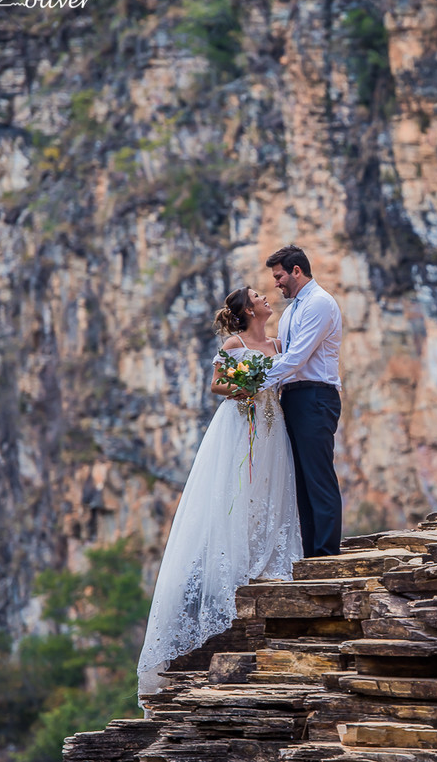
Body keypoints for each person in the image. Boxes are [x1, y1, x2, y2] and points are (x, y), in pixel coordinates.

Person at [137, 286, 302, 701]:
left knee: (270, 486)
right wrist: (243, 387)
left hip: (271, 423)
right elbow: (216, 385)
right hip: (239, 421)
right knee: (236, 485)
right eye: (260, 295)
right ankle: (235, 559)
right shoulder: (236, 343)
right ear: (249, 309)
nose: (267, 298)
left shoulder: (279, 342)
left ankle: (266, 553)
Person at [264, 245, 344, 557]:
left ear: (297, 271)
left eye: (279, 276)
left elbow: (296, 356)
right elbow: (283, 352)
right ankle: (310, 552)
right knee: (301, 480)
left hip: (315, 395)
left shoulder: (320, 303)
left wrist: (258, 381)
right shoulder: (290, 311)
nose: (276, 283)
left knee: (318, 476)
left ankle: (325, 553)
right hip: (294, 397)